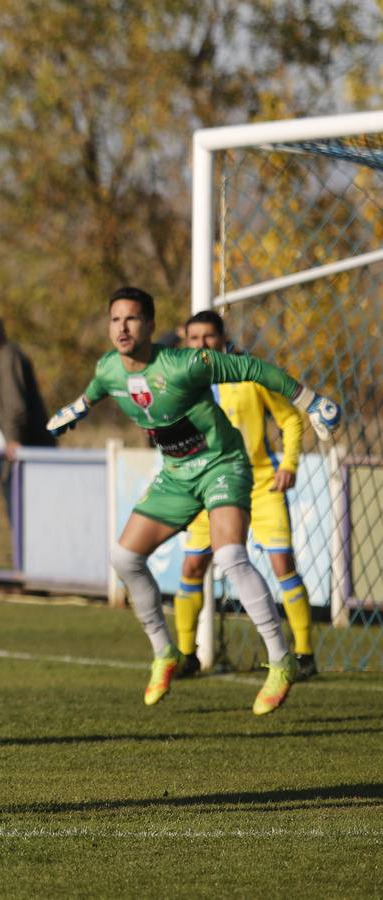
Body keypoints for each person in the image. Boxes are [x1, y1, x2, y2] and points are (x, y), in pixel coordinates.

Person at [46, 287, 341, 714]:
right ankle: (165, 653)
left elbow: (253, 368)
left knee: (231, 557)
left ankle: (282, 662)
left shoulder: (187, 364)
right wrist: (76, 408)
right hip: (177, 476)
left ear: (150, 325)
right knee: (123, 557)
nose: (122, 327)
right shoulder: (109, 368)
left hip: (223, 465)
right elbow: (97, 387)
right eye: (115, 320)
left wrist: (311, 401)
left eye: (132, 319)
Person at [174, 310, 317, 680]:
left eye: (208, 337)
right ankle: (187, 655)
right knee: (192, 566)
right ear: (185, 341)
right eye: (194, 338)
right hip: (208, 485)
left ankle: (303, 653)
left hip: (259, 483)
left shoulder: (248, 373)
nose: (202, 344)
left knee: (282, 564)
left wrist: (289, 463)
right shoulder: (183, 382)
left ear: (222, 339)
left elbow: (290, 418)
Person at [0, 314, 54, 515]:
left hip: (21, 455)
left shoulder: (8, 356)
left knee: (30, 518)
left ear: (2, 336)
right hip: (1, 457)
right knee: (17, 517)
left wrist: (13, 439)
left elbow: (15, 405)